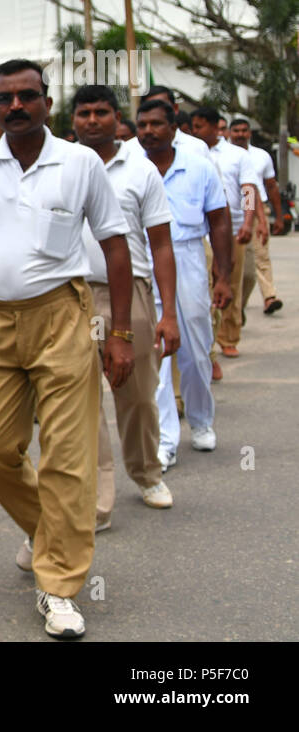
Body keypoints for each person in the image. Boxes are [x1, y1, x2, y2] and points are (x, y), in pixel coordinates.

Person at [0, 59, 133, 640]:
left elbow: (116, 248)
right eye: (6, 98)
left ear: (47, 102)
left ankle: (60, 586)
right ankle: (49, 534)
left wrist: (119, 335)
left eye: (28, 95)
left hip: (63, 319)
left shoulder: (79, 164)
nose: (16, 106)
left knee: (68, 458)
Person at [71, 85, 179, 526]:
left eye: (101, 112)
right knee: (81, 400)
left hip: (128, 294)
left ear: (118, 119)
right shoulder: (61, 165)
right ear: (72, 119)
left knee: (136, 394)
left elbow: (162, 244)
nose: (92, 120)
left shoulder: (141, 171)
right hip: (72, 295)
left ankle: (147, 473)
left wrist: (168, 312)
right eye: (84, 113)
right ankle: (97, 499)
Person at [135, 100, 233, 467]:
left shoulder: (199, 166)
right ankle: (165, 439)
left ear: (174, 128)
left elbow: (219, 220)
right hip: (143, 259)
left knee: (195, 348)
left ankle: (202, 421)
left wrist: (223, 275)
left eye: (156, 124)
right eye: (142, 124)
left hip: (188, 255)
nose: (148, 131)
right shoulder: (131, 166)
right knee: (155, 354)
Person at [191, 108, 260, 359]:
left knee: (233, 282)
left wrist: (248, 223)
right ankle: (207, 345)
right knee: (204, 287)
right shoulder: (188, 151)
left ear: (213, 127)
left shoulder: (236, 155)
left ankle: (229, 336)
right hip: (199, 231)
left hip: (232, 229)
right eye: (193, 127)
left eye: (199, 127)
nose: (195, 132)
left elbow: (249, 189)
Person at [228, 118, 283, 315]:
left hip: (253, 212)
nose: (241, 134)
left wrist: (272, 217)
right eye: (236, 131)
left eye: (244, 130)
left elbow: (256, 190)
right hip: (229, 217)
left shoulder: (260, 156)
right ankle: (234, 306)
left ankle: (268, 296)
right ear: (229, 133)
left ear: (250, 133)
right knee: (235, 267)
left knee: (258, 259)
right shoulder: (224, 156)